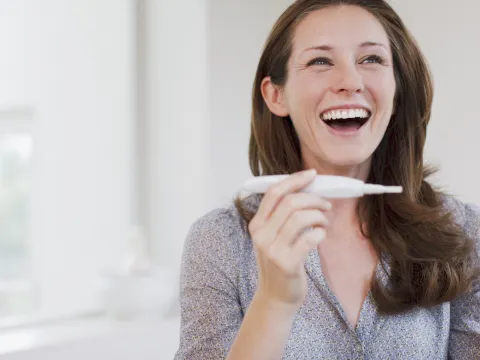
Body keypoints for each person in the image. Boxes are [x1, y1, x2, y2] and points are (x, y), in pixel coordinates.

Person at [174, 0, 480, 359]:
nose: (350, 81)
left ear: (396, 90)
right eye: (320, 61)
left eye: (371, 59)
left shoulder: (463, 230)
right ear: (276, 95)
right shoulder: (220, 242)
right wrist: (274, 301)